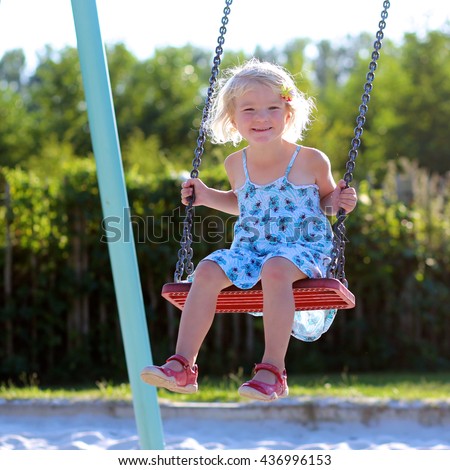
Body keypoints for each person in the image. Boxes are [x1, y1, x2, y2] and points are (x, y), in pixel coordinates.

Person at [141, 59, 357, 401]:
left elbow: (327, 203)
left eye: (273, 107)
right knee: (208, 269)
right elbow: (245, 203)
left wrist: (341, 201)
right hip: (251, 250)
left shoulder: (311, 160)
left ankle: (272, 371)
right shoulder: (234, 164)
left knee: (275, 268)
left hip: (302, 250)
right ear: (233, 117)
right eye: (250, 109)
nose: (261, 118)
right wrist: (207, 196)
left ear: (288, 113)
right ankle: (183, 366)